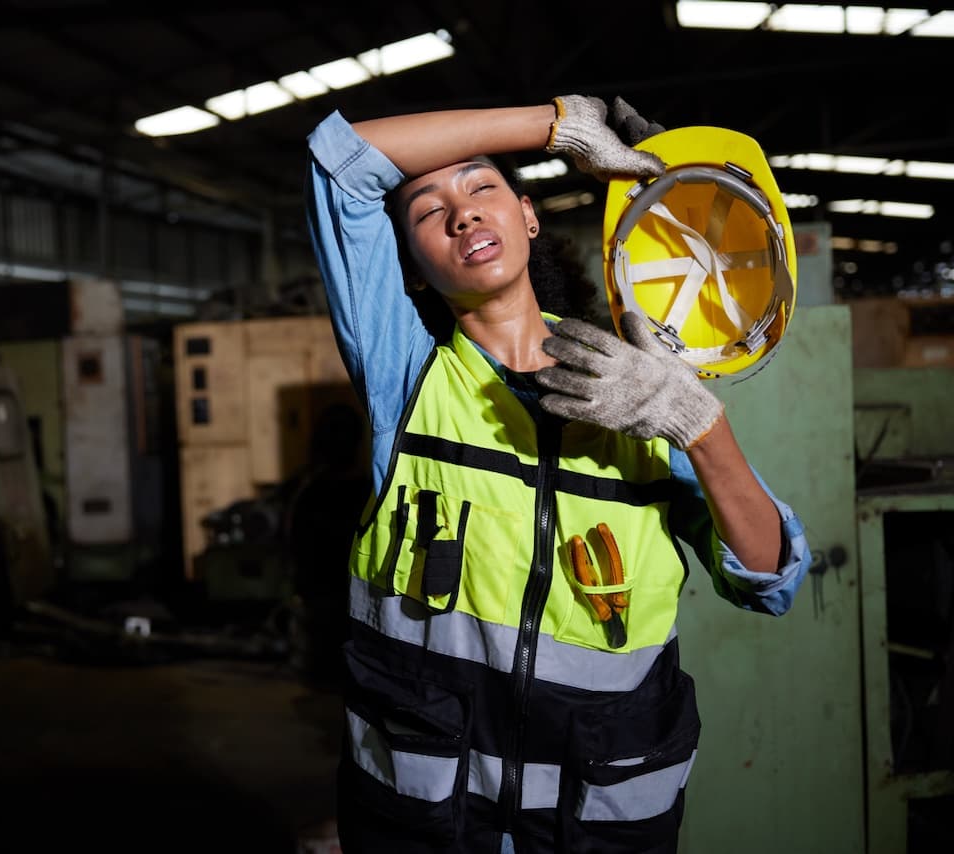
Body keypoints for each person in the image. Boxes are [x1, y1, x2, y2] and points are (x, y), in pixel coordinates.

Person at [302, 94, 812, 853]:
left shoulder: (638, 392)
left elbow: (770, 578)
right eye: (429, 212)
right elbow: (340, 163)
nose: (463, 215)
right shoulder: (406, 382)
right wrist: (559, 126)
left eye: (483, 188)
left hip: (597, 822)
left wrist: (697, 425)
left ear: (528, 216)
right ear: (411, 266)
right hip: (430, 823)